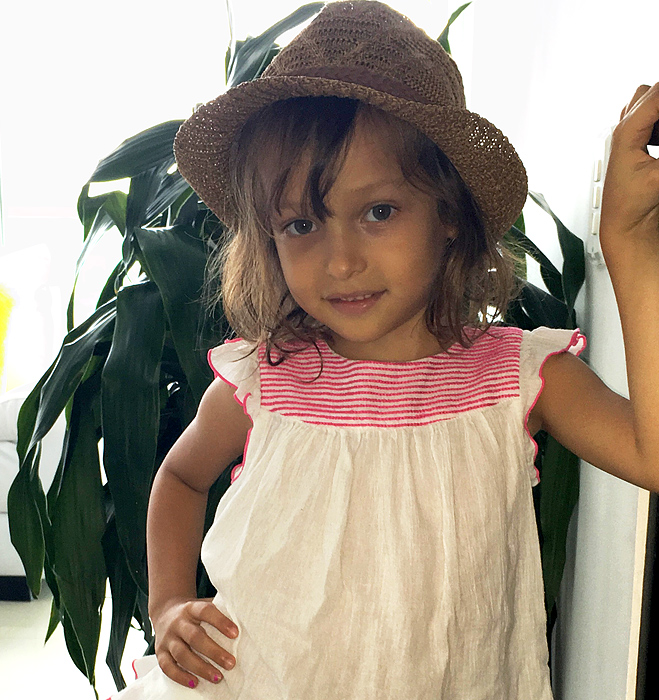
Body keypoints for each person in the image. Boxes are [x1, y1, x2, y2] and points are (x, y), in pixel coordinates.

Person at [107, 2, 659, 698]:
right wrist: (166, 605)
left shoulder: (518, 378)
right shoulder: (262, 381)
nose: (339, 262)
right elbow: (180, 480)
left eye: (378, 212)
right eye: (301, 222)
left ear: (451, 215)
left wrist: (631, 248)